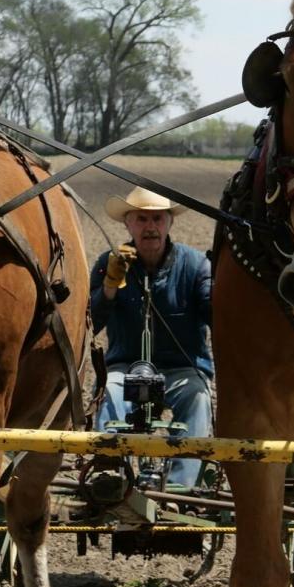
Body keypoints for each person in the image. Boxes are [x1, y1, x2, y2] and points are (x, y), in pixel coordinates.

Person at [90, 186, 213, 489]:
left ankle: (181, 488)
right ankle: (110, 475)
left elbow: (216, 314)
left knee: (198, 397)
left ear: (170, 223)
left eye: (157, 219)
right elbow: (89, 323)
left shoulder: (195, 265)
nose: (150, 227)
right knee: (109, 392)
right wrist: (108, 286)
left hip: (182, 368)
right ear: (127, 224)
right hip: (126, 366)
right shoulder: (110, 262)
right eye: (142, 219)